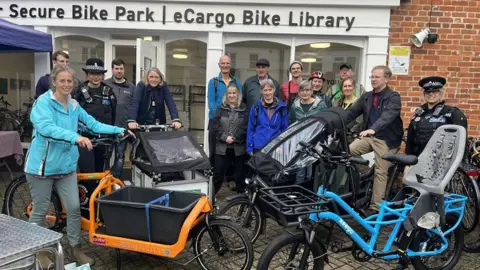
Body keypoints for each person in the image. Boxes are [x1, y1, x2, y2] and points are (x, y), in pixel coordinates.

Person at [25, 65, 128, 268]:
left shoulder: (73, 105)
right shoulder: (43, 103)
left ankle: (76, 248)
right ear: (54, 82)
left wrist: (120, 130)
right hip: (42, 167)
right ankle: (40, 252)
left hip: (66, 167)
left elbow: (93, 124)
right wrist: (76, 137)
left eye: (69, 81)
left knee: (73, 208)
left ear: (74, 84)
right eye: (62, 81)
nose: (66, 84)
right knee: (40, 209)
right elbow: (46, 129)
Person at [345, 65, 403, 212]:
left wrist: (373, 128)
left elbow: (388, 116)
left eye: (377, 77)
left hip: (386, 139)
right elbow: (351, 113)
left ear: (387, 78)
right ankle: (357, 186)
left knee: (380, 171)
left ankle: (375, 208)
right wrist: (334, 121)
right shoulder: (367, 97)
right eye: (372, 76)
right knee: (346, 154)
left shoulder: (393, 97)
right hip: (369, 136)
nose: (373, 79)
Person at [405, 76, 468, 157]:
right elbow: (410, 142)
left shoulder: (453, 113)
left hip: (443, 160)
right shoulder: (419, 114)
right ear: (424, 94)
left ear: (441, 92)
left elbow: (462, 142)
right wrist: (407, 162)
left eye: (435, 91)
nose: (431, 94)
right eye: (428, 92)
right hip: (418, 160)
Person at [288, 80, 330, 183]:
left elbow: (326, 122)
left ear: (312, 91)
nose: (305, 93)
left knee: (311, 171)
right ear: (299, 92)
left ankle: (311, 193)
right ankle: (298, 193)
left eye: (307, 90)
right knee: (300, 170)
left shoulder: (320, 104)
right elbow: (291, 122)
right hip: (300, 142)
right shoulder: (295, 106)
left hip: (315, 142)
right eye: (302, 90)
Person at [212, 84, 248, 195]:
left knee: (240, 174)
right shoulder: (220, 108)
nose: (232, 95)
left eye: (234, 93)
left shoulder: (244, 109)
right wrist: (225, 137)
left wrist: (235, 138)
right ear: (226, 96)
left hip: (238, 148)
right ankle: (211, 197)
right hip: (222, 147)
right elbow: (216, 125)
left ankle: (241, 198)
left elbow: (245, 126)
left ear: (238, 95)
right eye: (229, 93)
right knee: (218, 174)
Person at [207, 55, 242, 168]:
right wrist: (220, 117)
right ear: (219, 65)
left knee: (231, 154)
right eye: (223, 63)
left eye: (227, 63)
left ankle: (229, 181)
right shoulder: (213, 82)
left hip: (232, 122)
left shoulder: (236, 82)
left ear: (230, 65)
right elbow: (211, 104)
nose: (225, 65)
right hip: (216, 123)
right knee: (214, 152)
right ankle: (214, 181)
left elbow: (240, 101)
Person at [104, 58, 136, 178]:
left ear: (124, 69)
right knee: (106, 156)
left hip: (123, 129)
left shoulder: (131, 87)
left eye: (121, 68)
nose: (119, 71)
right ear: (112, 69)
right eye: (116, 68)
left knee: (120, 156)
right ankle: (103, 182)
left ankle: (116, 181)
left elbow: (134, 107)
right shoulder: (105, 84)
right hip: (107, 128)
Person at [246, 79, 288, 155]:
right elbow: (251, 128)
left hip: (275, 147)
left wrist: (283, 146)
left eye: (270, 90)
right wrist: (249, 147)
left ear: (274, 90)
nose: (268, 93)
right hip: (259, 146)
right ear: (261, 91)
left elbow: (284, 129)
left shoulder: (281, 107)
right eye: (265, 90)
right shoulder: (256, 107)